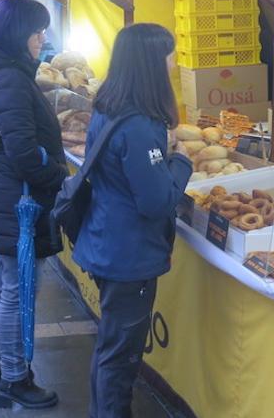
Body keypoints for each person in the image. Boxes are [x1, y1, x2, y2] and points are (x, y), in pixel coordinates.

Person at [74, 23, 193, 418]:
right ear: (151, 63)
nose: (174, 62)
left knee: (111, 347)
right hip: (128, 254)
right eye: (168, 54)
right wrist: (182, 162)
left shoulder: (108, 106)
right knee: (120, 355)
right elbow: (157, 201)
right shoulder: (141, 125)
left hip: (106, 241)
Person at [0, 0, 67, 408]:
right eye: (37, 31)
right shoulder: (8, 79)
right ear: (18, 33)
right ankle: (13, 377)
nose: (41, 39)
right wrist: (57, 176)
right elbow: (23, 152)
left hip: (4, 193)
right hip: (20, 201)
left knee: (5, 283)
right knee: (17, 290)